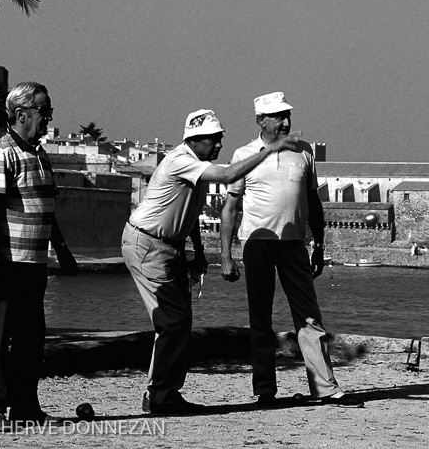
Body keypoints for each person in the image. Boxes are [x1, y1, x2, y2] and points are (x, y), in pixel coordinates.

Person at [122, 109, 298, 416]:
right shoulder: (181, 160)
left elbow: (188, 215)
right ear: (194, 140)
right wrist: (270, 149)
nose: (218, 145)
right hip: (148, 243)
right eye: (213, 140)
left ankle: (161, 392)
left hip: (169, 246)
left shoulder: (197, 167)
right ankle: (162, 394)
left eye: (220, 139)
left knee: (177, 321)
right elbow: (230, 175)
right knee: (172, 321)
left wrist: (199, 252)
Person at [220, 92, 363, 407]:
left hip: (295, 245)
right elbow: (230, 207)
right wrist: (225, 255)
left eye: (288, 116)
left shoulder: (305, 151)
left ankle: (325, 388)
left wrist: (320, 243)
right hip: (256, 244)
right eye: (278, 116)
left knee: (309, 316)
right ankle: (265, 391)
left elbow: (313, 202)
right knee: (260, 319)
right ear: (261, 120)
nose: (285, 122)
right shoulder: (244, 154)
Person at [0, 82, 78, 432]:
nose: (48, 119)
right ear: (21, 114)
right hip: (9, 261)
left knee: (30, 339)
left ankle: (24, 407)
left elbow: (45, 208)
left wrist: (62, 252)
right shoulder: (0, 152)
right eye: (43, 112)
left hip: (35, 262)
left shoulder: (38, 154)